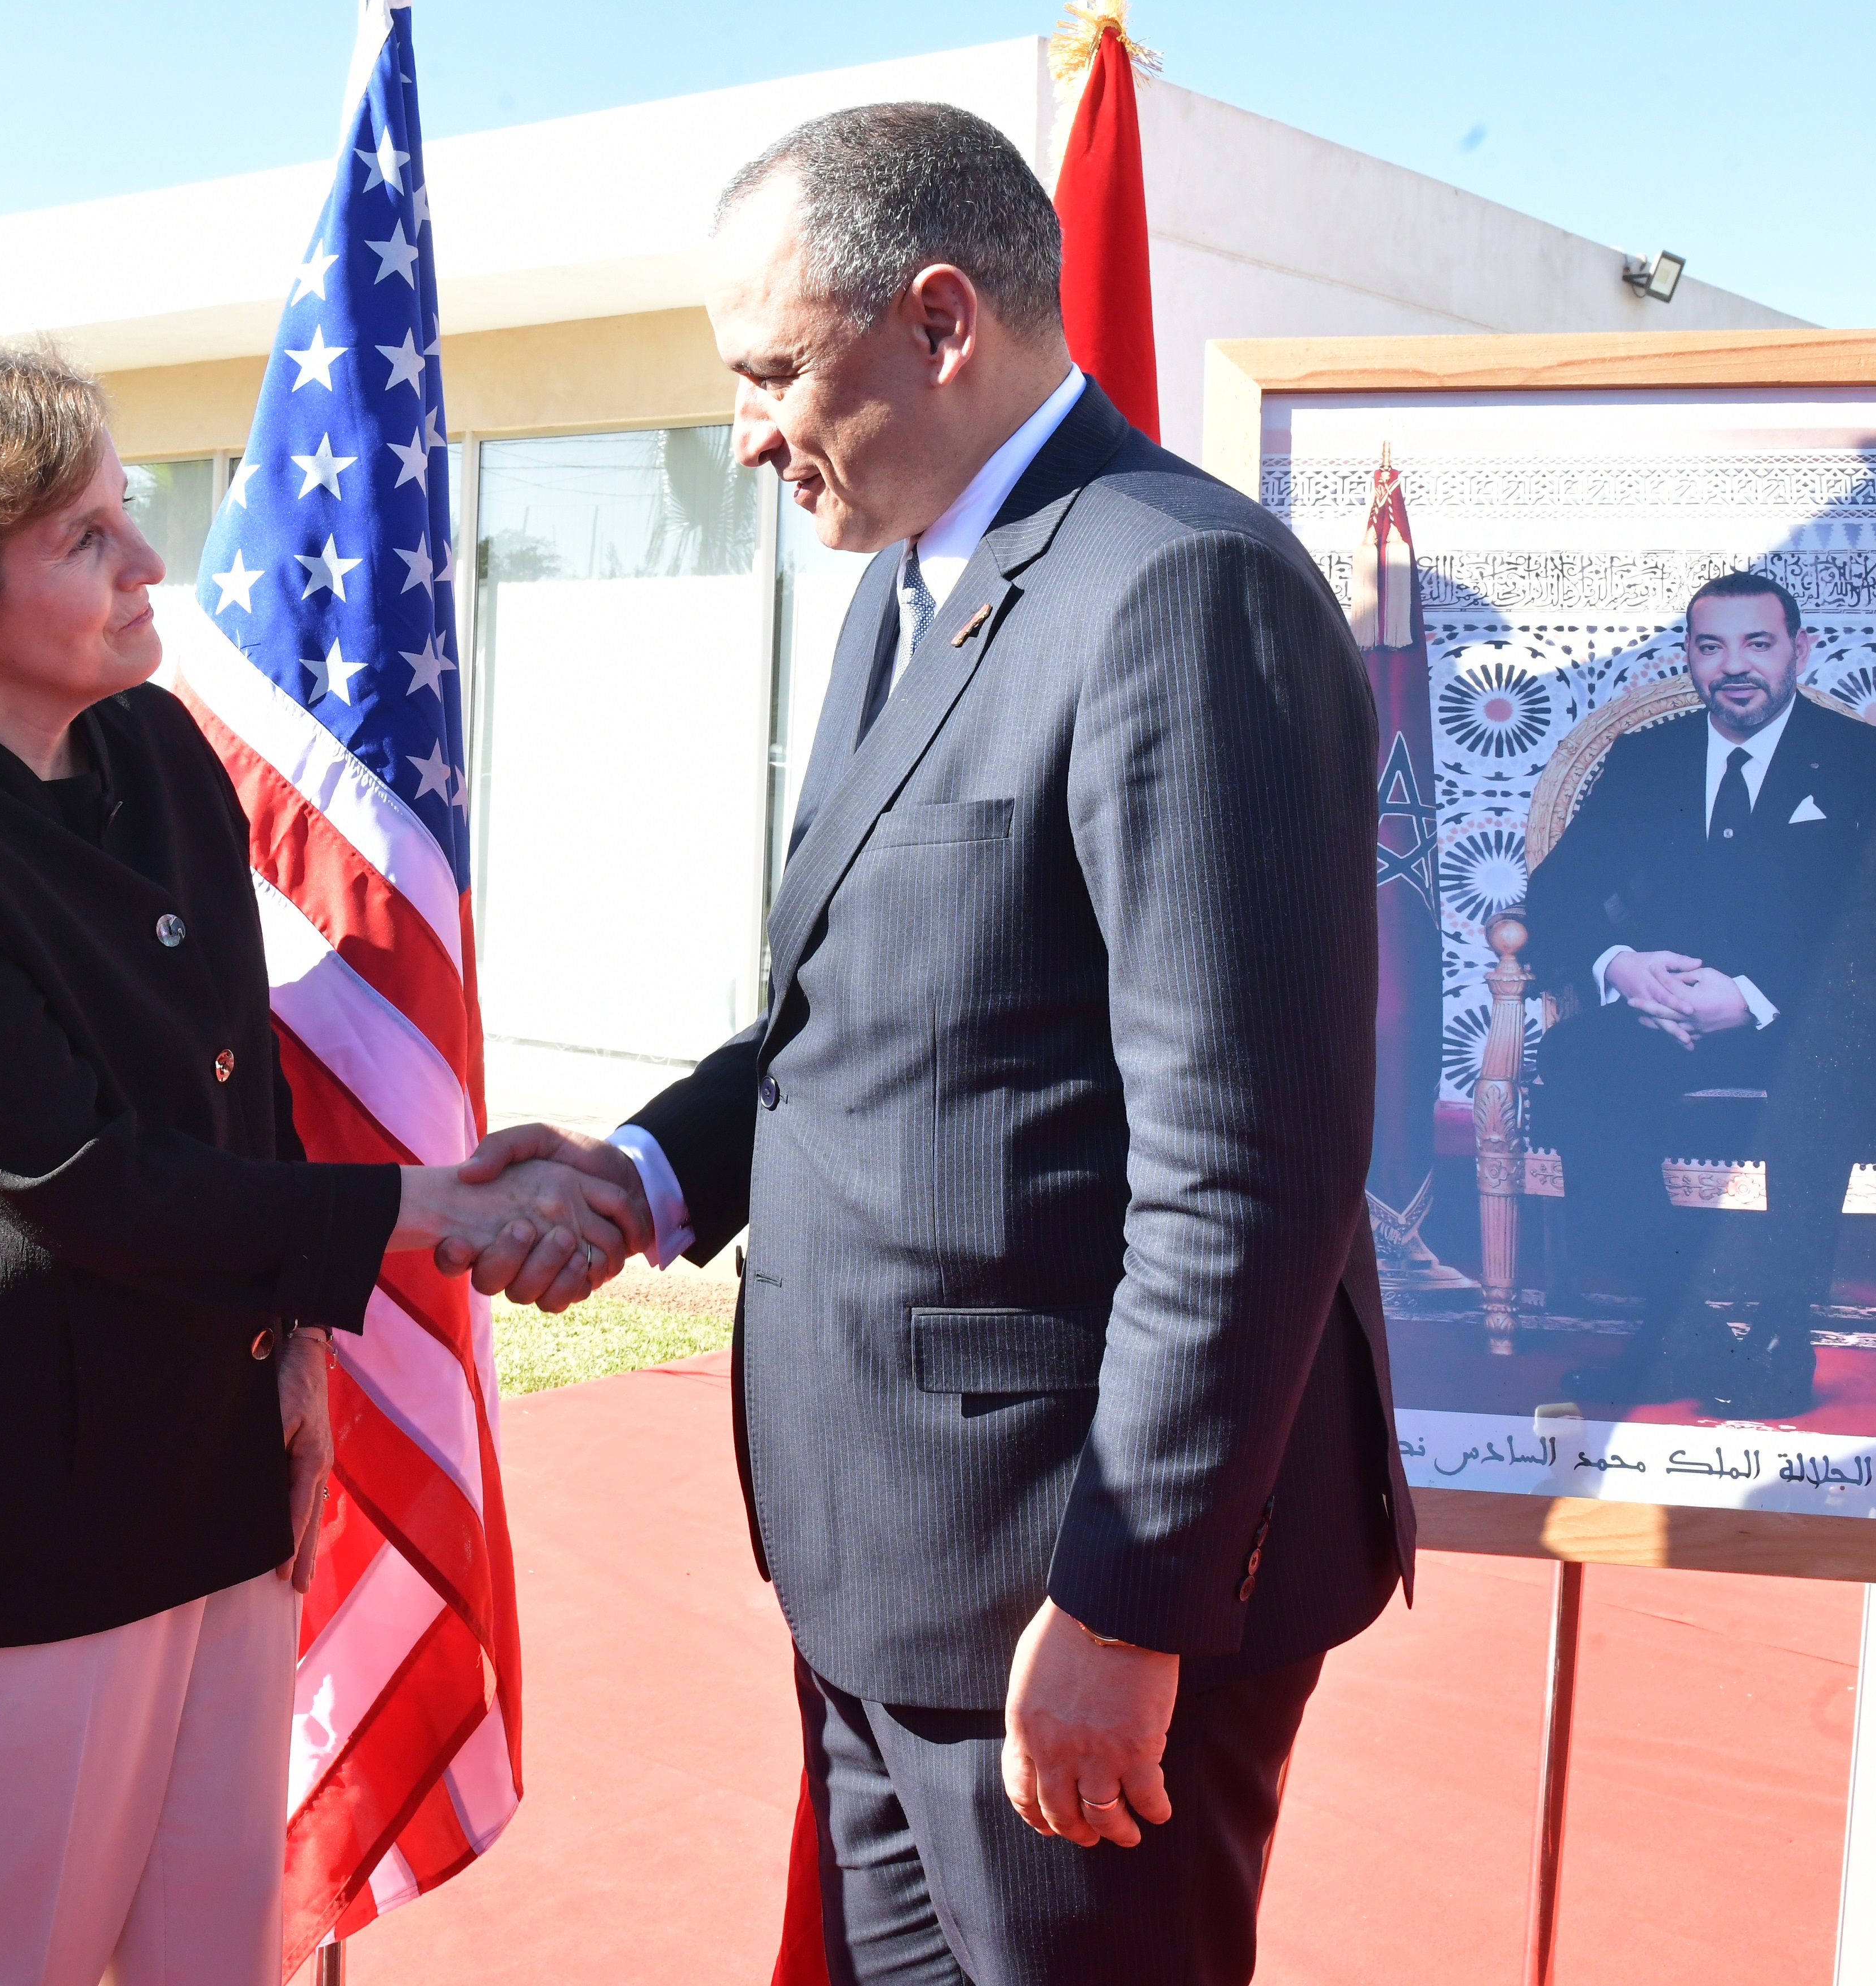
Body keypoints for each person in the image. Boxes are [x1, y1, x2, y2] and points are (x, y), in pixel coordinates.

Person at [449, 105, 1410, 1985]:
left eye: (769, 372)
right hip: (885, 1557)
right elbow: (873, 1013)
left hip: (1066, 1579)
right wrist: (641, 1172)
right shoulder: (909, 581)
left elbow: (1248, 1159)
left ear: (941, 324)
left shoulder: (1174, 592)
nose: (741, 435)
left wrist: (1128, 1603)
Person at [0, 338, 633, 1986]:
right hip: (15, 1513)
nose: (147, 558)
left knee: (209, 1952)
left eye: (125, 512)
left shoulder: (160, 754)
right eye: (87, 537)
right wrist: (414, 1213)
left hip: (213, 1467)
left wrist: (299, 1351)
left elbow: (232, 1094)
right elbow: (82, 1176)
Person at [1526, 573, 1876, 1417]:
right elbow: (1556, 897)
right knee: (1579, 1053)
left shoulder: (1869, 762)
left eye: (1758, 643)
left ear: (1800, 649)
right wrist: (1624, 968)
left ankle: (1781, 1334)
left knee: (1817, 1059)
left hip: (1823, 1009)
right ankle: (1678, 1323)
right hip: (1674, 1007)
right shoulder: (1649, 760)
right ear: (1690, 657)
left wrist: (1751, 997)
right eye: (1712, 647)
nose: (1736, 666)